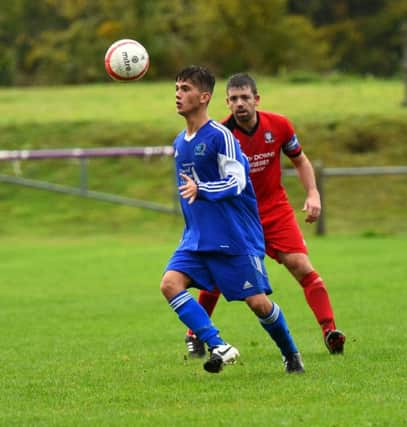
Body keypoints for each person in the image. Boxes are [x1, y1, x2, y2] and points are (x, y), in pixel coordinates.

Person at [185, 73, 345, 357]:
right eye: (234, 99)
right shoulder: (219, 135)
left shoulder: (279, 125)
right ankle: (194, 334)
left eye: (245, 97)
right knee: (219, 275)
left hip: (274, 210)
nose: (240, 103)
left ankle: (330, 331)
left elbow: (300, 160)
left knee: (301, 266)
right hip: (236, 216)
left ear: (256, 99)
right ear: (226, 102)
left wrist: (312, 193)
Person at [161, 65, 304, 374]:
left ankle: (291, 354)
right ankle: (219, 346)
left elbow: (237, 181)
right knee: (170, 284)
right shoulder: (180, 141)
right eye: (176, 89)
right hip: (197, 238)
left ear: (204, 97)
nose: (178, 95)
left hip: (233, 236)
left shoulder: (221, 136)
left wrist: (202, 188)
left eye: (185, 89)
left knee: (258, 304)